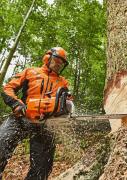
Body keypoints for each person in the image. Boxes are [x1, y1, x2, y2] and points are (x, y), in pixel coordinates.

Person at [0, 47, 73, 179]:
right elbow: (8, 88)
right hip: (21, 118)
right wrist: (16, 104)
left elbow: (66, 102)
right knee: (1, 143)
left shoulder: (63, 82)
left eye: (61, 63)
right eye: (57, 60)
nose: (58, 64)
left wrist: (66, 106)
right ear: (47, 58)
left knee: (43, 167)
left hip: (45, 124)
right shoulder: (31, 71)